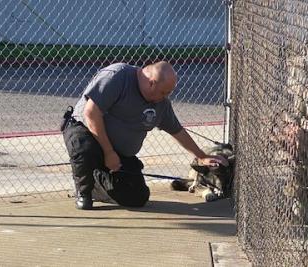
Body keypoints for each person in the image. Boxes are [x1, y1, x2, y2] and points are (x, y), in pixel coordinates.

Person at [62, 61, 228, 210]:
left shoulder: (160, 104)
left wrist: (202, 156)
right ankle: (83, 191)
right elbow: (91, 114)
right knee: (83, 146)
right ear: (151, 82)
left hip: (118, 152)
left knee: (137, 196)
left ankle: (95, 187)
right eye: (163, 92)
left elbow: (177, 131)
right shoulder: (118, 77)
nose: (165, 97)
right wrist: (108, 152)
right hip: (87, 132)